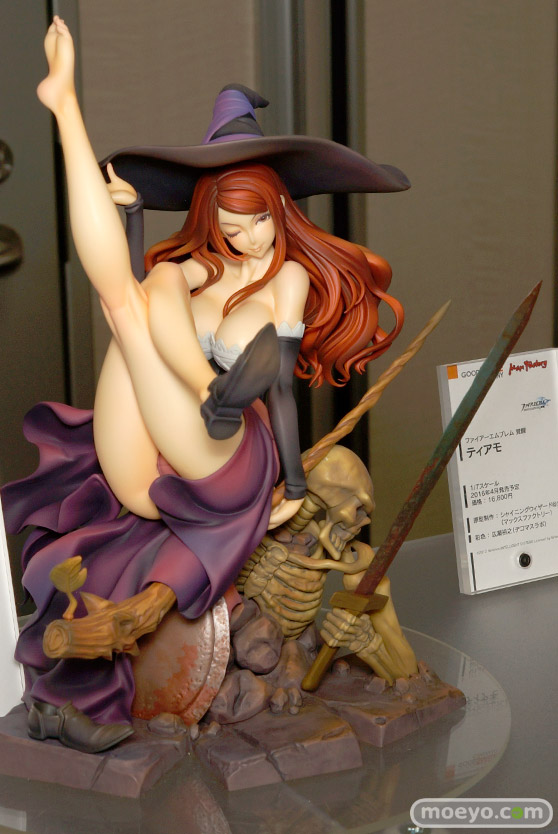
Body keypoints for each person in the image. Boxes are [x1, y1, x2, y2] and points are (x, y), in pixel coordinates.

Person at [1, 16, 408, 753]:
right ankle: (63, 107)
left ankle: (217, 396)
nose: (242, 236)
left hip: (233, 456)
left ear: (280, 212)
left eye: (255, 221)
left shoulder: (285, 279)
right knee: (137, 293)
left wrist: (291, 483)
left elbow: (281, 391)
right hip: (158, 462)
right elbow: (132, 287)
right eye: (228, 220)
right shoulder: (200, 268)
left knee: (142, 312)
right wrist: (132, 220)